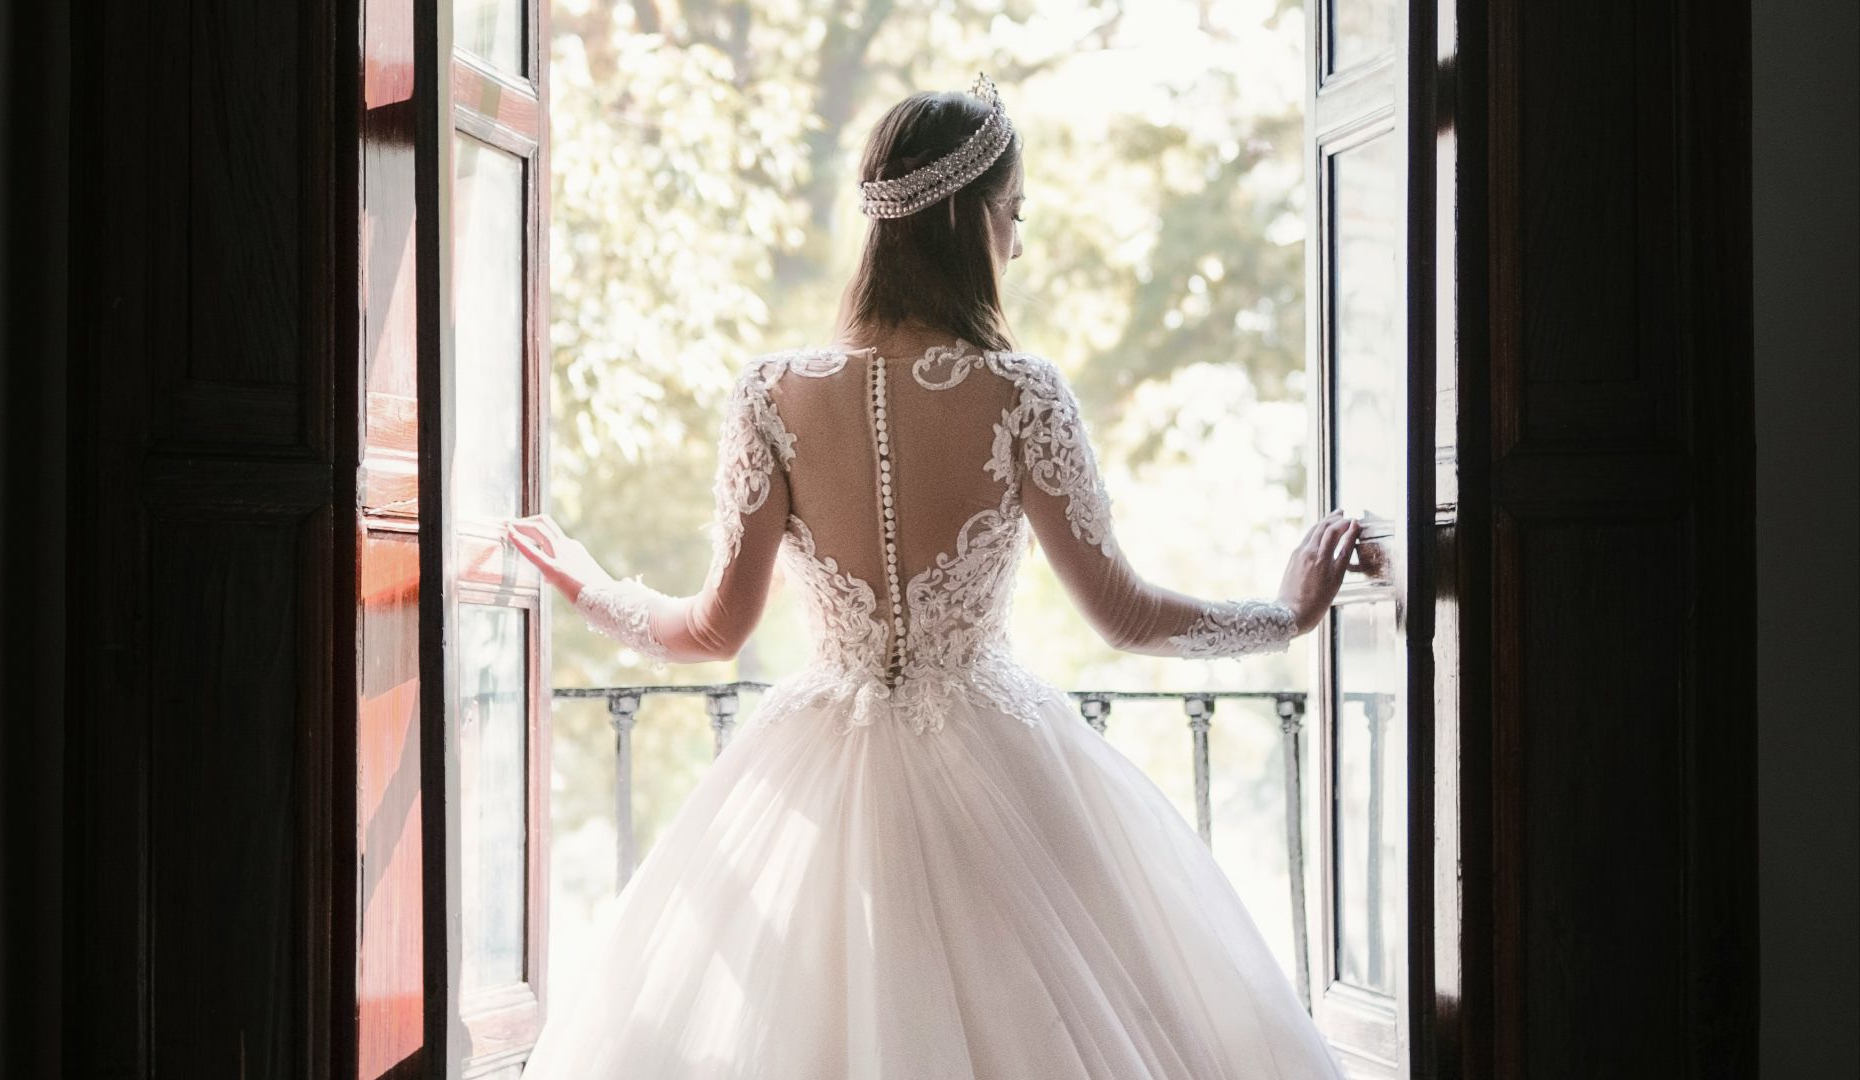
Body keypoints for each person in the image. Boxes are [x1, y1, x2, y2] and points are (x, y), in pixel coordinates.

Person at [509, 72, 1358, 1080]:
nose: (1018, 244)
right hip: (1000, 768)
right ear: (967, 217)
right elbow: (1126, 617)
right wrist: (1285, 615)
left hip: (815, 770)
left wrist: (590, 586)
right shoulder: (1021, 394)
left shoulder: (771, 395)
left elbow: (713, 630)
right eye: (1014, 214)